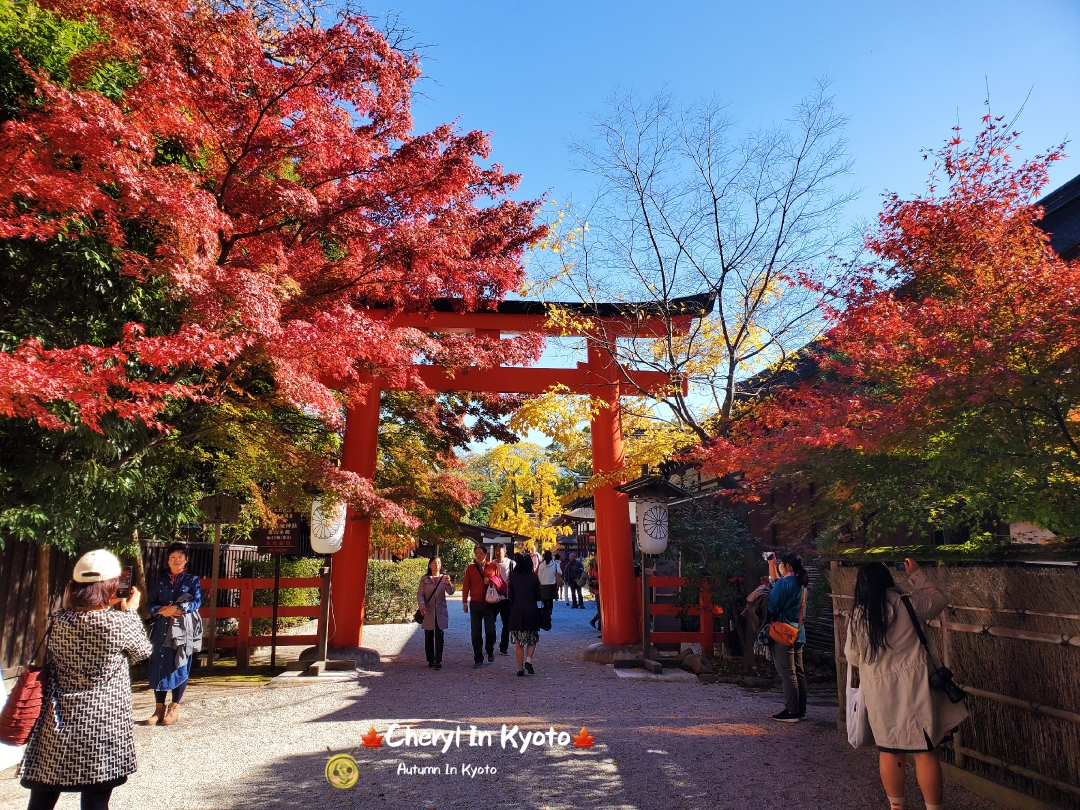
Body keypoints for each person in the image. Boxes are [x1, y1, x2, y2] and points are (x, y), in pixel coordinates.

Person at [20, 549, 152, 810]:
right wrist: (130, 611)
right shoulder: (117, 623)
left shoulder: (59, 620)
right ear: (111, 587)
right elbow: (143, 652)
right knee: (95, 797)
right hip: (102, 724)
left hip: (57, 718)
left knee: (44, 792)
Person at [845, 559, 969, 810]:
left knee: (890, 750)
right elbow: (938, 600)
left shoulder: (858, 614)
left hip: (879, 693)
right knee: (925, 751)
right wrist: (916, 574)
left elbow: (852, 655)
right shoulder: (908, 604)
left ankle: (896, 807)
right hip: (915, 689)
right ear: (887, 580)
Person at [142, 542, 202, 727]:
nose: (176, 560)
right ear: (168, 561)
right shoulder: (160, 581)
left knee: (179, 662)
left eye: (180, 557)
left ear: (186, 560)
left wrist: (177, 608)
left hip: (182, 627)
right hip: (161, 627)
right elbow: (149, 604)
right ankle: (158, 708)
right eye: (172, 557)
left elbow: (196, 602)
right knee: (159, 663)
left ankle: (174, 707)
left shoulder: (192, 580)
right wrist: (162, 610)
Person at [767, 550, 809, 722]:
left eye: (781, 564)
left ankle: (791, 711)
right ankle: (800, 710)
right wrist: (771, 566)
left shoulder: (786, 583)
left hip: (783, 633)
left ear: (788, 566)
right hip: (798, 632)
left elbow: (772, 606)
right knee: (799, 672)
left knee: (787, 673)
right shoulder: (801, 583)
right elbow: (778, 583)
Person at [507, 553, 542, 677]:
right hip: (531, 611)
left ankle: (520, 668)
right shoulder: (534, 578)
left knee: (519, 643)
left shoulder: (514, 577)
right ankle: (528, 660)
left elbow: (510, 596)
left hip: (517, 611)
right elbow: (538, 596)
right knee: (532, 640)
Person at [416, 556, 455, 669]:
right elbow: (420, 594)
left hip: (440, 610)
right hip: (428, 610)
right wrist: (422, 606)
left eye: (438, 563)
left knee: (439, 635)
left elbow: (451, 592)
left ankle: (438, 660)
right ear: (429, 565)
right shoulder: (425, 579)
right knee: (428, 635)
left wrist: (449, 583)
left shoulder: (444, 578)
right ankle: (430, 659)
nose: (437, 565)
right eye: (434, 563)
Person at [462, 546, 497, 668]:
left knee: (490, 631)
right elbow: (466, 585)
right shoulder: (470, 568)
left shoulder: (492, 566)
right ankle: (478, 658)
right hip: (476, 603)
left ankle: (490, 648)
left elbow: (499, 582)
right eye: (476, 553)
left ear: (486, 554)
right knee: (476, 632)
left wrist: (491, 581)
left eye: (481, 553)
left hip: (489, 603)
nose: (478, 555)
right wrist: (464, 602)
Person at [491, 543, 514, 656]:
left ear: (505, 551)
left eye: (499, 550)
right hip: (493, 597)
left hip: (506, 598)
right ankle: (490, 643)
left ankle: (503, 647)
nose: (497, 552)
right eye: (496, 550)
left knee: (507, 623)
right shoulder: (491, 564)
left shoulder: (511, 564)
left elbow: (515, 579)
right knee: (491, 622)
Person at [536, 550, 559, 618]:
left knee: (544, 601)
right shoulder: (555, 564)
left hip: (543, 585)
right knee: (550, 601)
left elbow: (539, 576)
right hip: (552, 585)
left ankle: (546, 614)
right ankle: (550, 613)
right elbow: (560, 572)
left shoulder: (542, 565)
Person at [588, 558, 601, 632]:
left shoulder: (594, 565)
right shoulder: (593, 565)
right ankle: (600, 627)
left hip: (598, 589)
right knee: (600, 610)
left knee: (601, 610)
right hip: (598, 589)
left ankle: (595, 622)